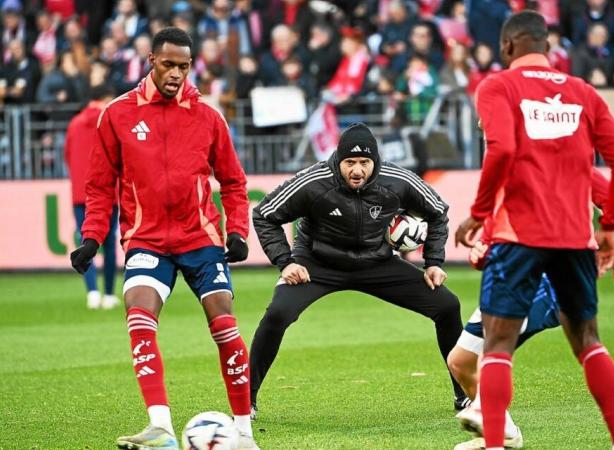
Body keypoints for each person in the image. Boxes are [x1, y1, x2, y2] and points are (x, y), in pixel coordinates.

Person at [454, 11, 614, 450]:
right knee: (589, 342)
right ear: (547, 45)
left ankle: (496, 444)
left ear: (507, 46)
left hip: (520, 238)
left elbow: (502, 149)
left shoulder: (498, 86)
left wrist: (478, 214)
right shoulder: (583, 92)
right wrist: (610, 227)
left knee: (497, 346)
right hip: (575, 239)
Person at [69, 27, 258, 450]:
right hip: (147, 240)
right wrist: (92, 237)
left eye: (184, 67)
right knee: (138, 311)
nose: (176, 74)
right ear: (151, 60)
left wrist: (236, 232)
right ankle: (160, 428)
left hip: (201, 237)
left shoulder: (208, 116)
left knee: (224, 322)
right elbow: (99, 187)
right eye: (169, 64)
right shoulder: (117, 114)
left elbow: (233, 181)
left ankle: (243, 431)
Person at [249, 122, 467, 417]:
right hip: (317, 264)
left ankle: (464, 395)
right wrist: (286, 262)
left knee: (448, 306)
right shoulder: (313, 182)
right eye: (350, 162)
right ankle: (245, 400)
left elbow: (438, 212)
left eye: (365, 162)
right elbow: (264, 214)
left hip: (377, 263)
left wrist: (434, 263)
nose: (357, 170)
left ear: (375, 162)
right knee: (277, 314)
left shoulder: (397, 180)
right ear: (339, 161)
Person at [448, 169, 614, 449]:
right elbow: (503, 217)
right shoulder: (504, 157)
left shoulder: (561, 153)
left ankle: (485, 412)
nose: (481, 123)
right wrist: (485, 246)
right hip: (511, 272)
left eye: (482, 120)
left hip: (552, 274)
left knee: (499, 342)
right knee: (460, 361)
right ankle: (506, 432)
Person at [65, 84, 119, 310]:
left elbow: (67, 156)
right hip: (107, 193)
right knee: (108, 244)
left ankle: (92, 293)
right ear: (105, 98)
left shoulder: (74, 124)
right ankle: (108, 294)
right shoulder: (109, 120)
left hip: (79, 194)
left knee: (84, 241)